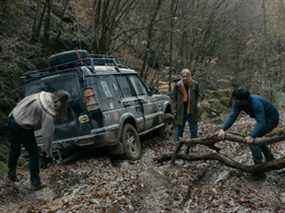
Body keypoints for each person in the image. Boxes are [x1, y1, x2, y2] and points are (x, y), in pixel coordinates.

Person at [7, 90, 70, 190]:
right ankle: (35, 183)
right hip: (23, 126)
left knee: (15, 148)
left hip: (13, 118)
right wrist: (47, 153)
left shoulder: (42, 95)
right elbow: (47, 135)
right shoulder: (48, 111)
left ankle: (11, 173)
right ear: (59, 101)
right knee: (34, 153)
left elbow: (22, 102)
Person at [217, 87, 279, 177]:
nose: (234, 101)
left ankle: (259, 170)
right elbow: (232, 115)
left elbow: (261, 122)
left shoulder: (256, 103)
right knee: (258, 139)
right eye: (234, 99)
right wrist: (223, 129)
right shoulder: (238, 102)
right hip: (263, 120)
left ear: (244, 100)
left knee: (253, 142)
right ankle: (270, 158)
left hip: (271, 120)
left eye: (236, 100)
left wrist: (252, 136)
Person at [174, 68, 199, 153]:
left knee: (193, 128)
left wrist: (196, 105)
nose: (185, 78)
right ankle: (178, 146)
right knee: (179, 128)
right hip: (181, 110)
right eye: (183, 76)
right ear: (181, 76)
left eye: (187, 76)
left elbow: (198, 96)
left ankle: (194, 145)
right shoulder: (178, 85)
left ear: (190, 76)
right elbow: (174, 97)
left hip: (192, 110)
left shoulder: (195, 84)